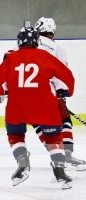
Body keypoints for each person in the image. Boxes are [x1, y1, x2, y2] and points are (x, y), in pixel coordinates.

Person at [0, 27, 74, 189]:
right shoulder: (46, 57)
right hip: (45, 107)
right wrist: (65, 91)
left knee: (15, 135)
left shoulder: (10, 58)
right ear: (37, 41)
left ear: (19, 41)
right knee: (53, 138)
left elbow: (0, 89)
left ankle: (23, 163)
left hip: (17, 107)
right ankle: (60, 172)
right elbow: (67, 78)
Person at [33, 17, 85, 171]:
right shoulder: (57, 48)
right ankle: (66, 154)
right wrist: (62, 91)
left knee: (37, 122)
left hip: (25, 91)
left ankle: (56, 155)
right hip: (48, 91)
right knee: (64, 121)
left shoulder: (24, 45)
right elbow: (62, 72)